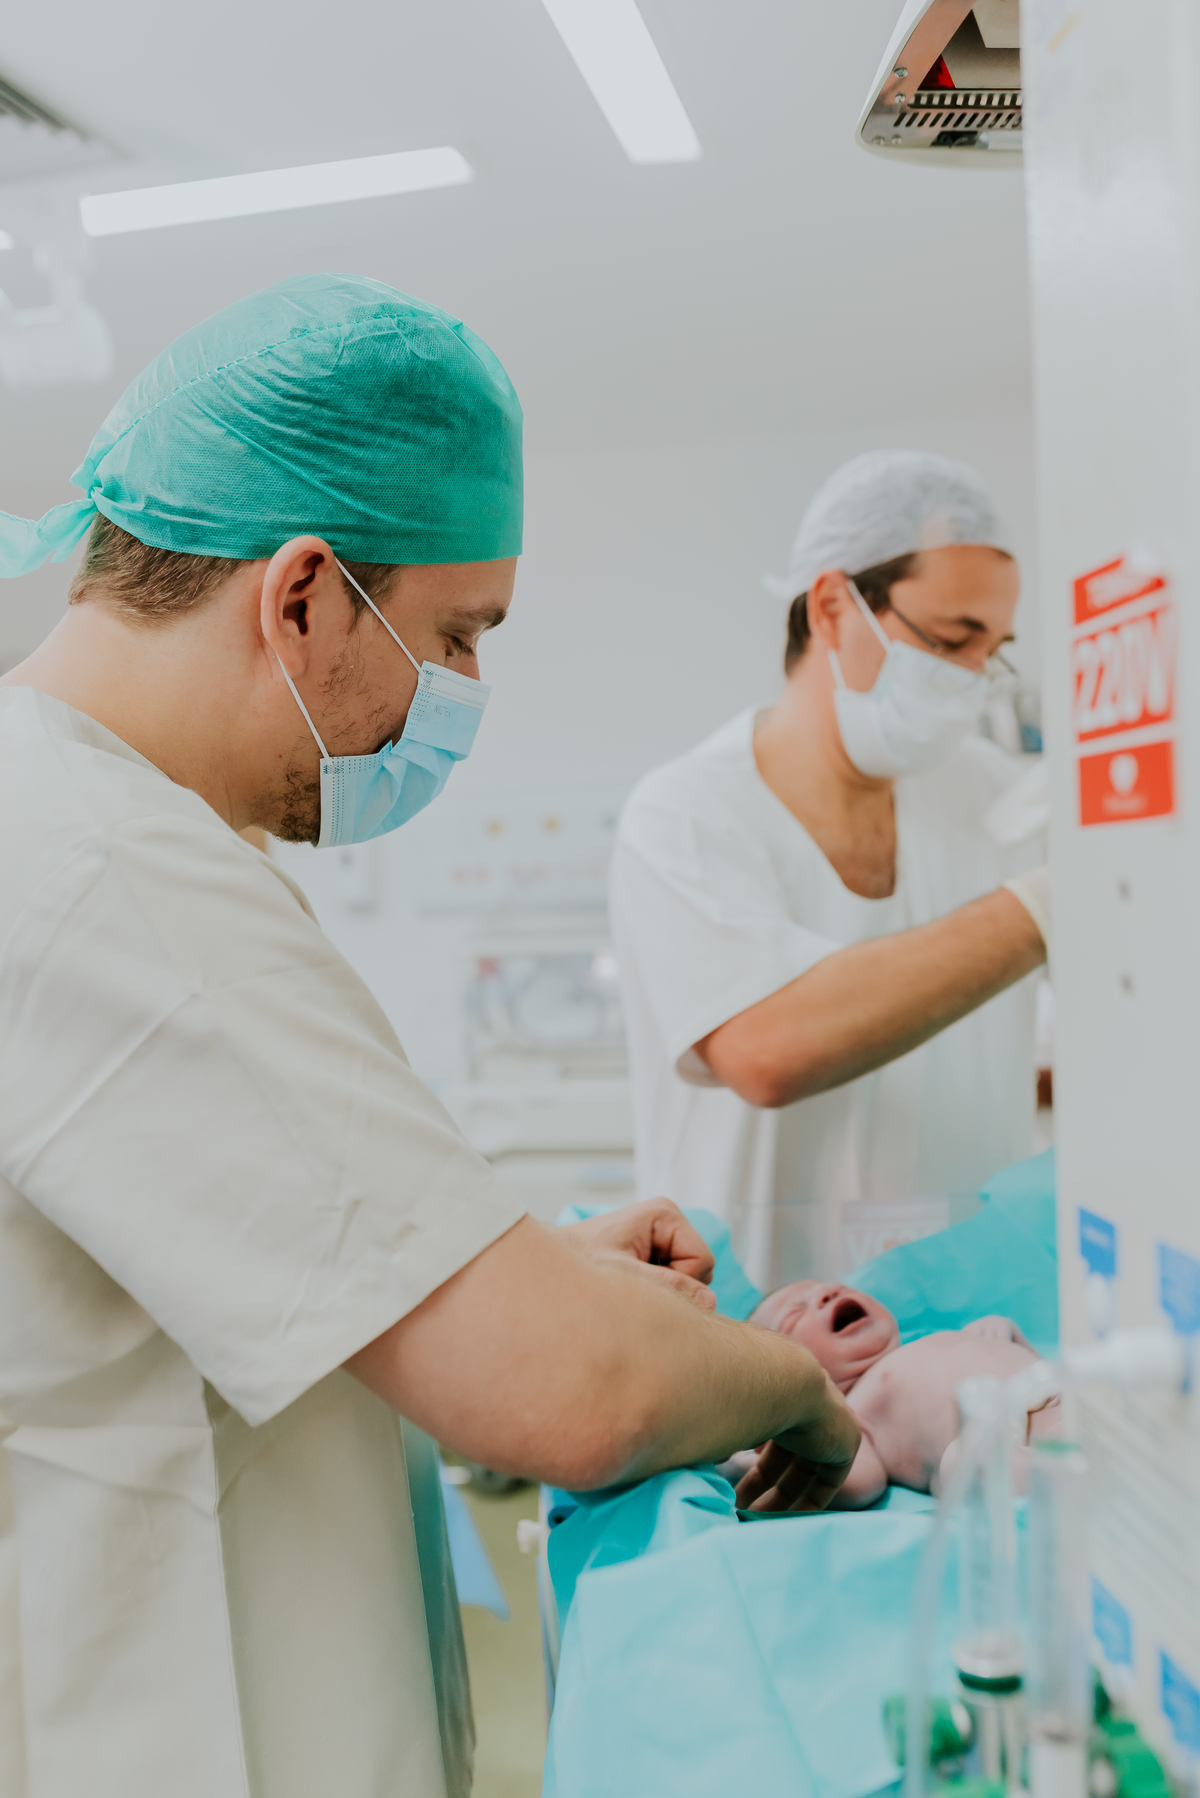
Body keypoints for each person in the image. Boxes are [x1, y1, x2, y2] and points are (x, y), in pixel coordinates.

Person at [0, 275, 861, 1798]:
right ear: (303, 593)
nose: (467, 691)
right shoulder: (106, 871)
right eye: (459, 634)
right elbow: (569, 1396)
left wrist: (525, 1255)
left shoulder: (99, 829)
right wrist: (793, 1385)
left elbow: (213, 1258)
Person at [609, 451, 1051, 1292]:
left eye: (992, 652)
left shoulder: (1000, 798)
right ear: (833, 606)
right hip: (754, 1334)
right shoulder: (688, 814)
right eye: (952, 640)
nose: (971, 681)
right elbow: (768, 1048)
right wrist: (1039, 908)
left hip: (971, 1319)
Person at [734, 1279, 1056, 1510]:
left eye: (834, 1286)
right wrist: (766, 1459)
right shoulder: (845, 1417)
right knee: (964, 1464)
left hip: (1058, 1398)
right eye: (795, 1315)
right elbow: (858, 1481)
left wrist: (1007, 1332)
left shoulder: (925, 1344)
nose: (827, 1293)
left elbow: (1038, 1365)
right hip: (1000, 1448)